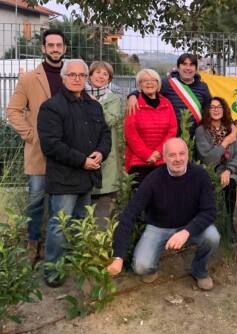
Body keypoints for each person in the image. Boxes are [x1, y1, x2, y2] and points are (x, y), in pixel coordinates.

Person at [107, 138, 219, 290]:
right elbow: (129, 215)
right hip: (159, 227)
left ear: (188, 155)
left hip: (190, 225)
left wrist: (187, 231)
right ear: (164, 158)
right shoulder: (153, 180)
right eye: (172, 155)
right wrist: (118, 256)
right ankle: (152, 269)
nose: (178, 159)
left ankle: (199, 270)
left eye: (182, 154)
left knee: (212, 237)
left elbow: (210, 210)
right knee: (141, 266)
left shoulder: (200, 175)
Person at [37, 59, 111, 287]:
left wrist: (100, 152)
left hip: (86, 178)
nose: (77, 78)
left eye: (81, 75)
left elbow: (105, 134)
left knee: (81, 223)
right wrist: (82, 161)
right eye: (73, 75)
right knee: (59, 226)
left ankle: (76, 263)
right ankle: (53, 270)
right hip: (64, 179)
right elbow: (51, 145)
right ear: (63, 77)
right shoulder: (52, 107)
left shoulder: (93, 105)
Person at [6, 29, 67, 261]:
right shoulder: (29, 78)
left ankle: (56, 246)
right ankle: (32, 244)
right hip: (39, 151)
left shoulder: (72, 75)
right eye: (50, 45)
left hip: (66, 152)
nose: (54, 49)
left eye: (58, 45)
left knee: (59, 202)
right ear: (43, 48)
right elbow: (13, 111)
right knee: (35, 201)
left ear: (64, 49)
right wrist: (31, 135)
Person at [195, 97, 237, 244]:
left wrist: (229, 170)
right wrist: (226, 142)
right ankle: (212, 226)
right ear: (207, 111)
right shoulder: (201, 131)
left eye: (219, 107)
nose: (216, 109)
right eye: (212, 107)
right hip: (210, 172)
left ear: (224, 110)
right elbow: (208, 159)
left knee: (229, 183)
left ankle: (229, 225)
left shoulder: (232, 130)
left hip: (229, 172)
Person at [126, 53, 211, 137]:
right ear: (178, 67)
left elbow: (209, 109)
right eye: (184, 64)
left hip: (197, 137)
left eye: (191, 65)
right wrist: (133, 95)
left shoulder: (203, 87)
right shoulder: (167, 84)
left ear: (196, 69)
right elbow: (149, 89)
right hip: (172, 137)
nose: (188, 68)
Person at [124, 69, 177, 186]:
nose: (149, 83)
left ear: (158, 84)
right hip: (139, 161)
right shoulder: (134, 103)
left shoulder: (167, 103)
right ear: (139, 85)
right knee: (142, 200)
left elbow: (172, 130)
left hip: (162, 159)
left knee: (162, 199)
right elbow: (130, 133)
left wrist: (158, 152)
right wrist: (147, 154)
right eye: (145, 80)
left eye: (153, 80)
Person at [86, 61, 122, 225]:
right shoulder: (79, 94)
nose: (101, 76)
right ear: (90, 74)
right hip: (84, 151)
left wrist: (95, 104)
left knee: (104, 205)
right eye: (97, 72)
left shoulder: (113, 98)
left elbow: (111, 120)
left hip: (106, 153)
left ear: (109, 79)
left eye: (105, 74)